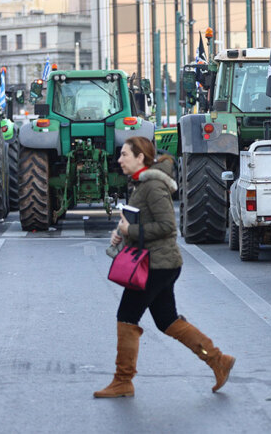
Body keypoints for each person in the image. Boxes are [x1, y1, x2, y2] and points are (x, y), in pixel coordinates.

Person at [94, 136, 235, 398]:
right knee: (167, 320)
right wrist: (124, 234)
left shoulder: (153, 186)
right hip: (161, 263)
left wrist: (131, 230)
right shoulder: (142, 185)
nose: (119, 159)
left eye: (125, 155)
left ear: (140, 158)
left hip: (157, 264)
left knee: (127, 315)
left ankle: (123, 380)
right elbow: (144, 224)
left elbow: (168, 227)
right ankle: (218, 361)